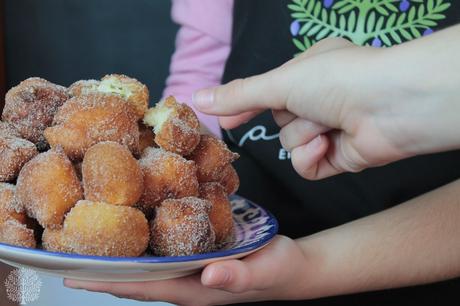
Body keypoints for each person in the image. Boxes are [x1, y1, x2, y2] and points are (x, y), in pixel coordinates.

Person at [65, 1, 460, 305]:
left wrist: (311, 267)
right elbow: (201, 75)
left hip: (426, 262)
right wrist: (179, 142)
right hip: (244, 248)